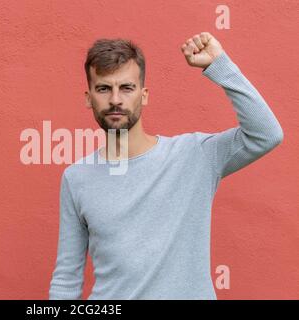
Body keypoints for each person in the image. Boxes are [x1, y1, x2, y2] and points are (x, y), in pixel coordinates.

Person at [48, 32, 284, 299]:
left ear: (144, 95)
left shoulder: (195, 155)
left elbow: (266, 134)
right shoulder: (76, 178)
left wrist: (219, 65)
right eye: (104, 88)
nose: (115, 99)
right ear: (89, 98)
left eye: (126, 88)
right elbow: (67, 278)